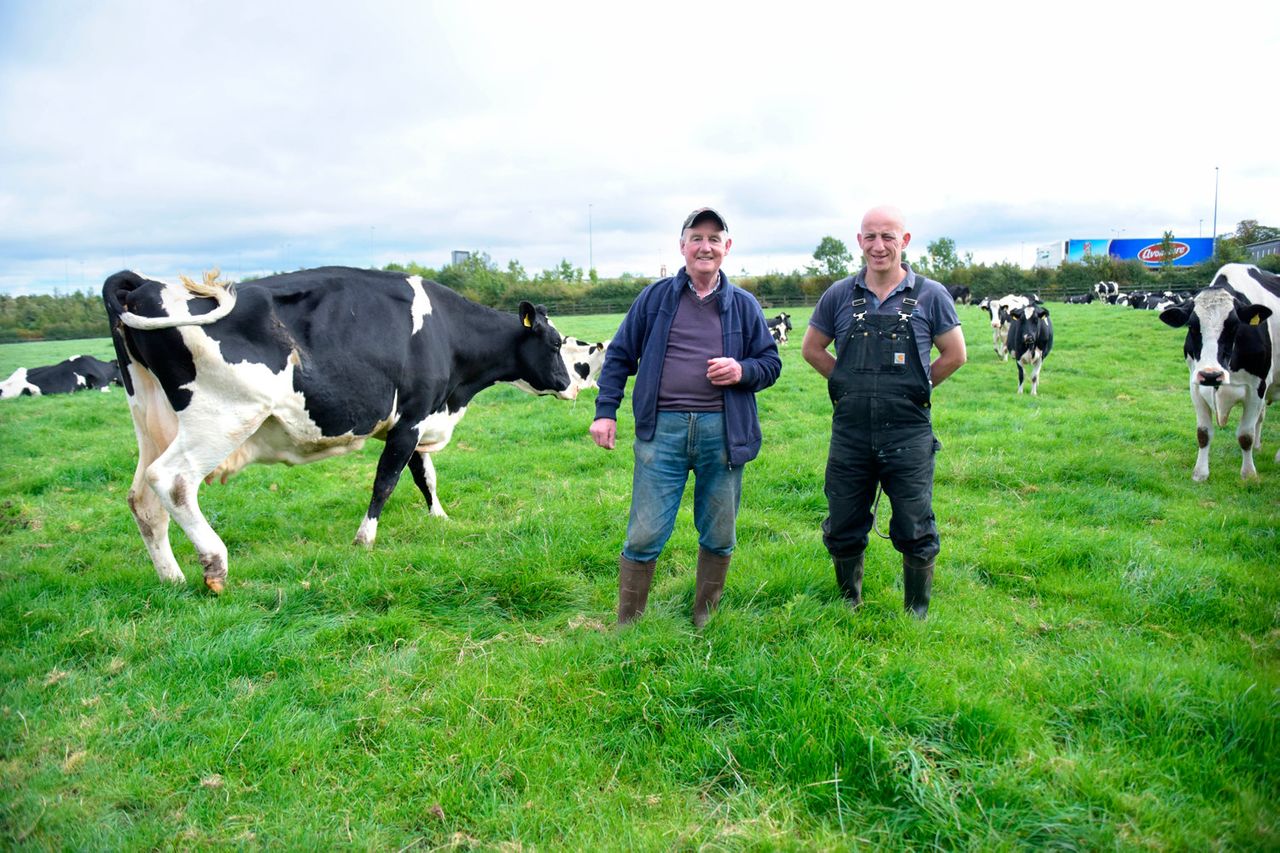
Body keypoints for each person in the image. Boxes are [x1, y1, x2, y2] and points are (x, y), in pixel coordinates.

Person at [590, 208, 782, 627]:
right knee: (644, 533)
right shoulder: (655, 298)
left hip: (723, 433)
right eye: (696, 237)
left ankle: (704, 620)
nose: (705, 246)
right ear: (682, 247)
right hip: (663, 432)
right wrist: (606, 413)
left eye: (715, 239)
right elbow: (620, 355)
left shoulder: (745, 305)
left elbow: (770, 363)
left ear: (726, 249)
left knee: (719, 533)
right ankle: (628, 625)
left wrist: (741, 371)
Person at [801, 205, 966, 619]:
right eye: (870, 237)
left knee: (914, 524)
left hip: (908, 435)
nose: (878, 246)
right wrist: (844, 382)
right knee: (843, 522)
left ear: (904, 241)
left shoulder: (931, 294)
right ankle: (848, 602)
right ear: (859, 242)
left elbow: (955, 354)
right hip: (851, 434)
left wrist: (918, 387)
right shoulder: (838, 294)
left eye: (888, 237)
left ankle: (916, 613)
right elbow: (811, 348)